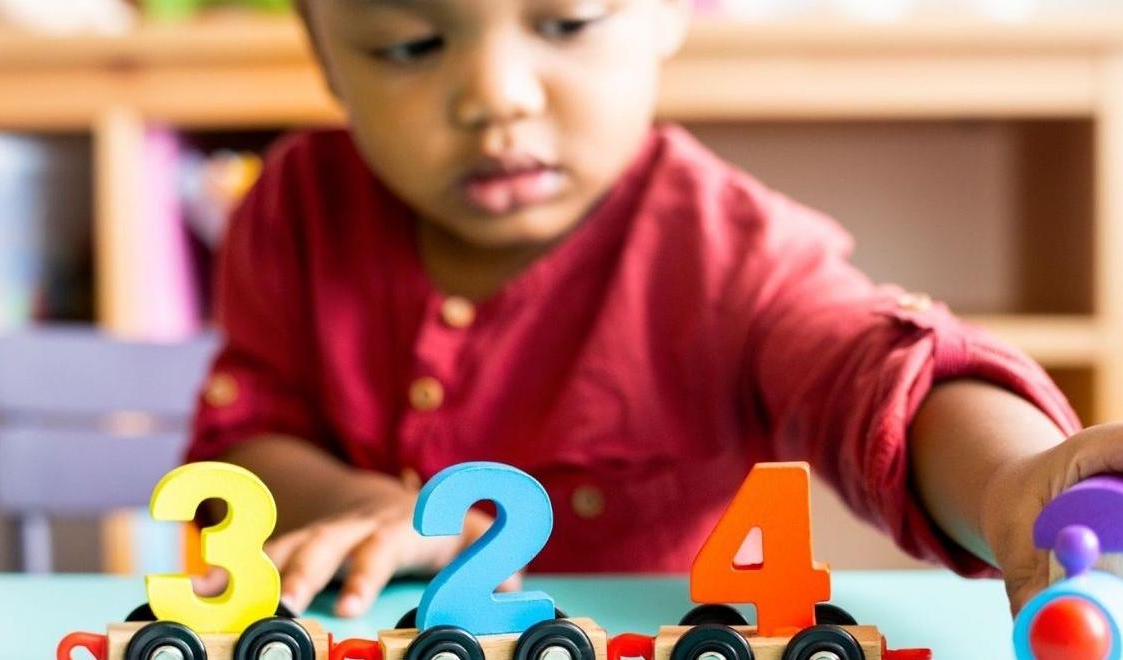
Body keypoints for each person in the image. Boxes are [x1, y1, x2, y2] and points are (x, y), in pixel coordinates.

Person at [186, 0, 1120, 622]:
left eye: (568, 22)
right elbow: (248, 441)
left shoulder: (729, 249)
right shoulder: (293, 207)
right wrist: (362, 506)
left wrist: (1010, 483)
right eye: (409, 45)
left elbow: (872, 374)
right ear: (324, 52)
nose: (496, 97)